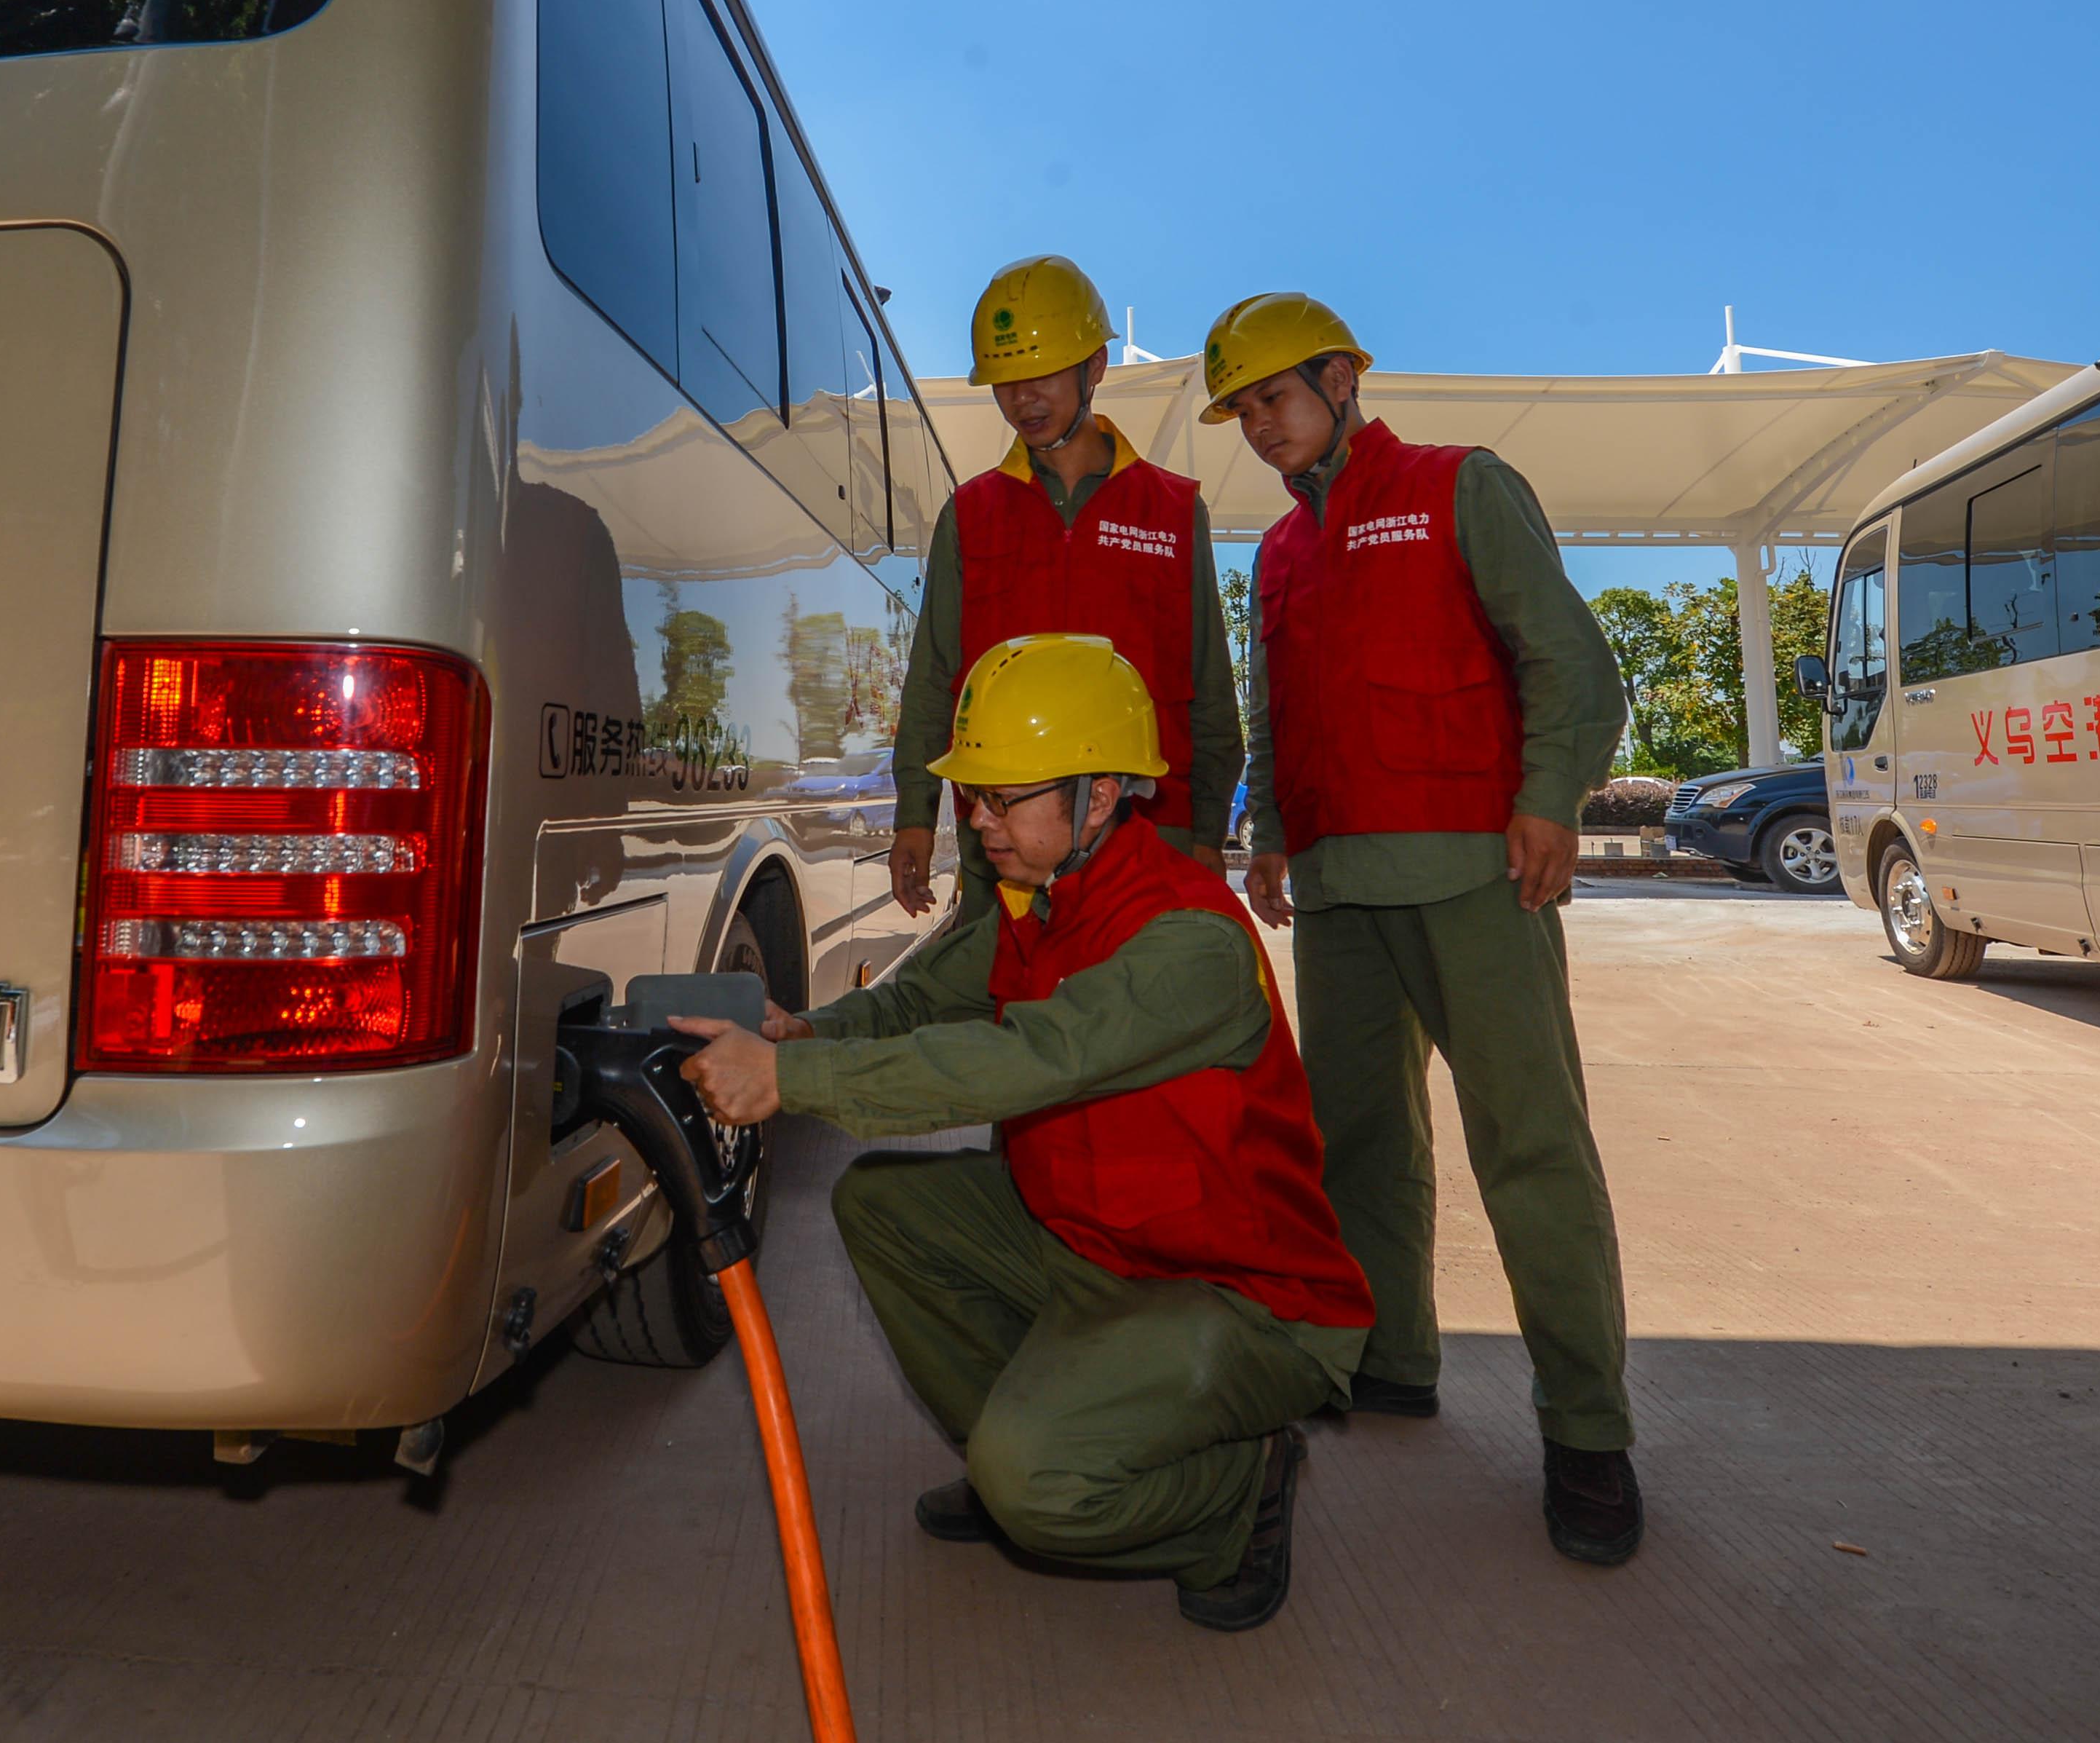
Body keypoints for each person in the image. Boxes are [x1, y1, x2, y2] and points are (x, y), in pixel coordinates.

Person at [673, 634, 1372, 1632]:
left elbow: (1020, 1059)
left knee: (1037, 1488)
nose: (978, 818)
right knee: (879, 1203)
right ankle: (1036, 1443)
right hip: (1094, 1241)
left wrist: (792, 1078)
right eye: (973, 794)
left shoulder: (1188, 942)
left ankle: (1229, 1489)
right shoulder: (1039, 901)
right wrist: (803, 1030)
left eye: (1004, 796)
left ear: (1096, 796)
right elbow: (916, 1002)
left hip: (1232, 1291)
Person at [1198, 290, 1647, 1567]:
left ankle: (1587, 1431)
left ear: (1342, 379)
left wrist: (1548, 796)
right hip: (1334, 890)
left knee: (1529, 1144)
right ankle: (1388, 1359)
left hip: (1471, 874)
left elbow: (1567, 659)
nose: (1257, 427)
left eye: (1273, 398)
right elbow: (1279, 709)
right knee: (1356, 1138)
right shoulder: (1275, 557)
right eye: (1240, 411)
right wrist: (1270, 831)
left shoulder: (1461, 486)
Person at [886, 255, 1243, 942]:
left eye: (1042, 373)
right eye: (1005, 381)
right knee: (1009, 1018)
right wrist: (913, 814)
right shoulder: (971, 512)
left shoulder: (1173, 508)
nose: (1023, 398)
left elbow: (1207, 680)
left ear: (1096, 366)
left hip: (1149, 827)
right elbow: (933, 676)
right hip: (1005, 831)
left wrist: (1207, 826)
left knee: (1138, 1029)